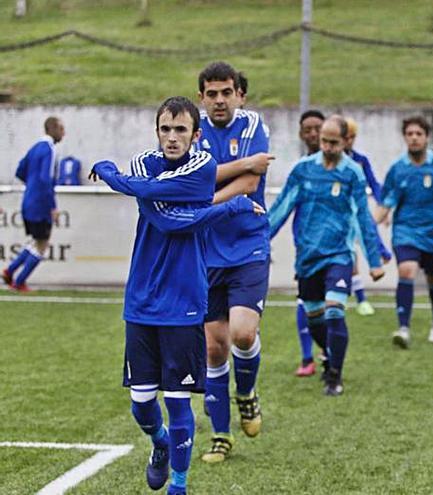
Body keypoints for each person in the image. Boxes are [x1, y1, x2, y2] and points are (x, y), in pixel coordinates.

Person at [89, 96, 264, 495]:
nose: (172, 137)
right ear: (157, 132)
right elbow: (164, 212)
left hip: (185, 299)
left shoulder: (202, 167)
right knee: (141, 402)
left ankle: (179, 487)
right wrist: (229, 206)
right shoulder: (143, 164)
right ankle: (161, 444)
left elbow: (169, 220)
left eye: (180, 129)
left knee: (179, 400)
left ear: (195, 134)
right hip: (141, 298)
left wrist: (109, 172)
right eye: (165, 129)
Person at [268, 115, 385, 395]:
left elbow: (363, 218)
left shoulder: (352, 173)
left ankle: (335, 375)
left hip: (339, 255)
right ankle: (329, 357)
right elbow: (282, 207)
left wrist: (375, 259)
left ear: (345, 142)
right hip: (307, 255)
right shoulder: (303, 169)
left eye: (334, 142)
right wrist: (260, 240)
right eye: (324, 141)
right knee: (314, 317)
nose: (329, 147)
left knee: (334, 309)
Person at [194, 62, 274, 463]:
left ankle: (246, 391)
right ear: (201, 98)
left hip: (248, 244)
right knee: (213, 348)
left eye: (227, 92)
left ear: (239, 95)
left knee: (243, 334)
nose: (220, 100)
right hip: (206, 252)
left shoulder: (252, 124)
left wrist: (205, 199)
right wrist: (242, 165)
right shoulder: (191, 129)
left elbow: (250, 183)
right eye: (212, 93)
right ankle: (220, 436)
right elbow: (193, 179)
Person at [374, 116, 433, 347]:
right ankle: (403, 328)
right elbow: (386, 202)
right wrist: (369, 228)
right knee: (406, 271)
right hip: (405, 231)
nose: (414, 138)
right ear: (405, 137)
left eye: (418, 134)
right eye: (410, 134)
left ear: (426, 137)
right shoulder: (397, 169)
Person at [3, 117, 64, 292]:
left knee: (36, 241)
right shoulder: (49, 150)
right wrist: (52, 206)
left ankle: (10, 270)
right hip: (41, 203)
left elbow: (20, 170)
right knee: (42, 244)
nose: (63, 133)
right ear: (53, 129)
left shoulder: (34, 148)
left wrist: (32, 185)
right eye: (61, 129)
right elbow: (46, 179)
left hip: (28, 200)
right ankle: (19, 281)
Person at [344, 116, 392, 316]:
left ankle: (381, 252)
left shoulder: (361, 160)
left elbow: (374, 184)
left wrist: (384, 206)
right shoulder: (329, 161)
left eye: (352, 136)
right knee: (349, 256)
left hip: (358, 212)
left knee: (367, 230)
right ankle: (357, 298)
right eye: (347, 136)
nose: (350, 140)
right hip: (338, 214)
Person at [292, 109, 326, 377]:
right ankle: (307, 357)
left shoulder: (345, 166)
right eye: (308, 129)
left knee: (333, 306)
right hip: (305, 246)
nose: (313, 134)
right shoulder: (300, 170)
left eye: (318, 128)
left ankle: (328, 354)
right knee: (305, 301)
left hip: (336, 248)